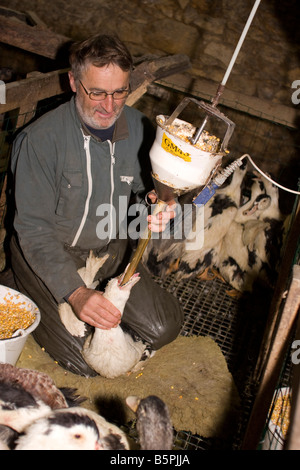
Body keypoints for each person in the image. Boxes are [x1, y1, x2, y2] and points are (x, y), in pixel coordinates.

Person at [10, 34, 184, 377]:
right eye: (97, 92)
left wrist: (163, 199)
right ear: (74, 82)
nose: (109, 105)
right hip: (52, 252)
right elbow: (32, 229)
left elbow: (147, 188)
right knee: (85, 360)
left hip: (107, 248)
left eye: (119, 92)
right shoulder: (41, 141)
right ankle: (21, 281)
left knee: (165, 328)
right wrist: (75, 294)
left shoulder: (137, 127)